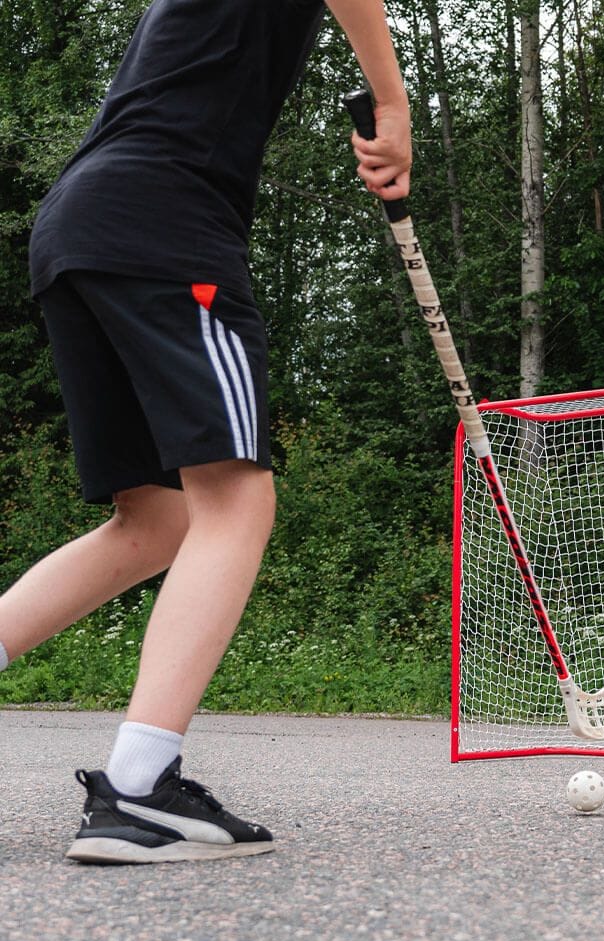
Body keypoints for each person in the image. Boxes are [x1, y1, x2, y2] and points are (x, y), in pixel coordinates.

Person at [0, 0, 411, 864]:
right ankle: (140, 789)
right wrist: (392, 105)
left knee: (154, 521)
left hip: (80, 223)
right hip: (164, 223)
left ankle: (140, 786)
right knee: (235, 499)